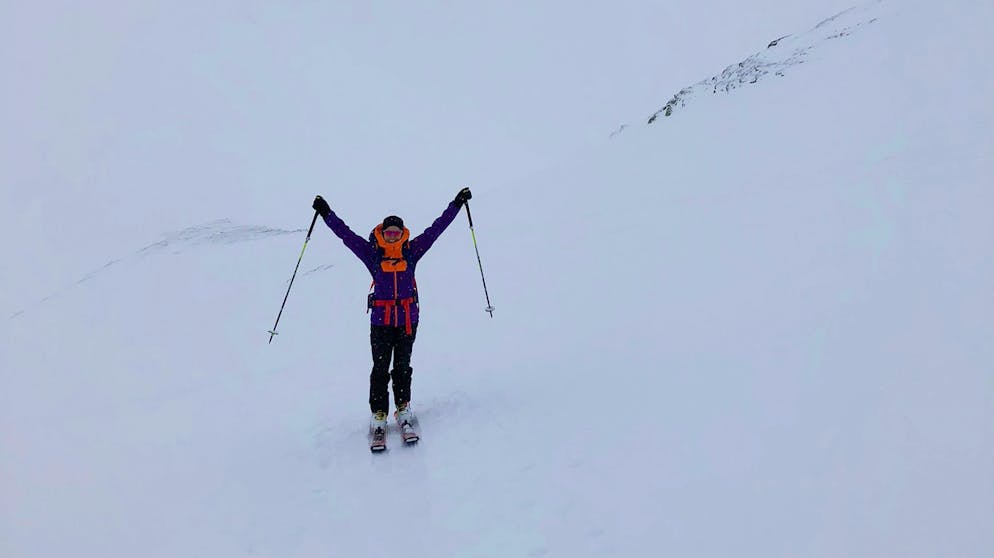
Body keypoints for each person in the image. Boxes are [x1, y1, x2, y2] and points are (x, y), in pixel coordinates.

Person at [311, 187, 472, 445]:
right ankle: (379, 415)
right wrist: (326, 213)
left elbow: (436, 229)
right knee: (380, 369)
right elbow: (346, 235)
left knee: (402, 368)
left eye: (396, 232)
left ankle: (403, 408)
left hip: (407, 321)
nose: (393, 235)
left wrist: (456, 204)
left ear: (402, 233)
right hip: (381, 323)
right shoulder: (373, 254)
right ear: (382, 233)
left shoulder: (412, 251)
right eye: (389, 232)